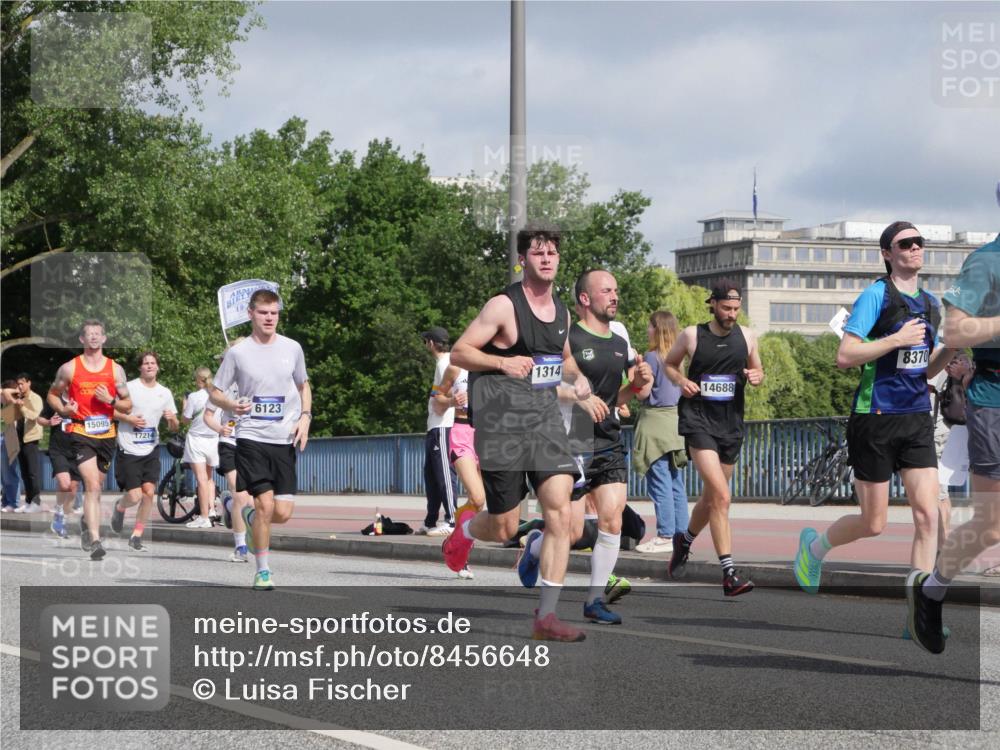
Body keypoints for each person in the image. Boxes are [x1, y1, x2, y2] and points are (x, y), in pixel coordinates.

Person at [793, 222, 954, 617]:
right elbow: (846, 355)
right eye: (905, 243)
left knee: (927, 514)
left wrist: (952, 350)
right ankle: (813, 549)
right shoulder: (876, 296)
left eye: (919, 243)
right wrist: (895, 340)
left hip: (916, 416)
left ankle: (921, 615)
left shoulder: (932, 304)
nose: (915, 248)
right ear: (887, 253)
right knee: (874, 522)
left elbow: (925, 371)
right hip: (875, 416)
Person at [444, 223, 595, 642]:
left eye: (552, 253)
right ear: (523, 260)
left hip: (544, 421)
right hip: (500, 423)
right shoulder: (503, 307)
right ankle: (468, 530)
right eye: (538, 252)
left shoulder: (563, 313)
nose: (546, 259)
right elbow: (459, 351)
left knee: (561, 514)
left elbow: (563, 360)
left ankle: (546, 617)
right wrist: (502, 363)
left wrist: (578, 380)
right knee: (506, 526)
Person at [516, 269, 651, 625]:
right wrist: (579, 399)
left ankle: (594, 600)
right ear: (585, 299)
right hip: (569, 441)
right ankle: (534, 545)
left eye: (616, 290)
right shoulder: (567, 336)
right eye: (606, 290)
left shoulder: (621, 337)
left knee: (612, 519)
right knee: (572, 532)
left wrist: (636, 385)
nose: (615, 296)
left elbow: (615, 397)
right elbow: (540, 386)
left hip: (607, 440)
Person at [912, 227, 999, 653]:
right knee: (991, 525)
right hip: (995, 401)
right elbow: (955, 330)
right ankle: (931, 591)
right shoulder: (987, 261)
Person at [664, 280, 764, 596]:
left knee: (711, 499)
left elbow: (757, 370)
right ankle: (729, 573)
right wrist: (680, 380)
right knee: (722, 497)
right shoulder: (693, 335)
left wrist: (756, 376)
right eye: (726, 308)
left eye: (736, 309)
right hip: (698, 422)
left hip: (731, 424)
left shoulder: (747, 336)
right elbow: (669, 364)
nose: (732, 314)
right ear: (713, 304)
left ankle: (684, 541)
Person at [210, 288, 311, 591]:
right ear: (251, 314)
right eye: (264, 312)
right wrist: (231, 405)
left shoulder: (292, 348)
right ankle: (263, 571)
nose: (270, 318)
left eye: (274, 312)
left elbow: (304, 385)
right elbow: (216, 392)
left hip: (285, 438)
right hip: (251, 436)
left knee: (282, 513)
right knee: (266, 506)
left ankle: (248, 514)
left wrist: (305, 417)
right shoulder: (238, 353)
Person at [47, 319, 132, 561]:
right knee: (92, 485)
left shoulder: (115, 370)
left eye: (98, 334)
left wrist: (111, 400)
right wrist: (64, 410)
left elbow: (128, 404)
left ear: (104, 339)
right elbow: (52, 394)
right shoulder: (69, 368)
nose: (93, 337)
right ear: (82, 340)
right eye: (89, 334)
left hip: (106, 435)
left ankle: (87, 521)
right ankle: (96, 540)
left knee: (98, 487)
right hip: (80, 432)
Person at [632, 311, 688, 554]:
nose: (647, 331)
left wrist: (635, 371)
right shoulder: (678, 360)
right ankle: (680, 536)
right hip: (676, 423)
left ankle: (665, 535)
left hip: (654, 425)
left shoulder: (652, 358)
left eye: (649, 326)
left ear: (657, 329)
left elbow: (642, 394)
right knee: (676, 482)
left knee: (660, 482)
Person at [111, 352, 179, 550]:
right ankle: (120, 507)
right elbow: (110, 411)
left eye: (153, 363)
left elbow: (174, 427)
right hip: (128, 447)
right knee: (134, 496)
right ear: (140, 367)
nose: (150, 366)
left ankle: (137, 535)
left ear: (157, 367)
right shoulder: (129, 388)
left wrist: (172, 420)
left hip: (151, 447)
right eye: (146, 363)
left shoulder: (165, 392)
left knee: (149, 492)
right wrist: (129, 419)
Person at [207, 337, 253, 563]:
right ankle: (241, 547)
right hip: (229, 443)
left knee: (252, 500)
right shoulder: (220, 386)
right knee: (240, 495)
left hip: (252, 442)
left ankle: (226, 504)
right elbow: (208, 416)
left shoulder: (256, 379)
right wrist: (220, 428)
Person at [436, 360, 484, 579]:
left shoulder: (496, 364)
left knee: (478, 504)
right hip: (462, 431)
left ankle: (456, 541)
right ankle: (461, 555)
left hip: (489, 434)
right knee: (477, 496)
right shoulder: (455, 368)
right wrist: (451, 400)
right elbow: (437, 401)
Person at [420, 327, 459, 536]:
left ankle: (452, 520)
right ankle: (430, 520)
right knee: (431, 476)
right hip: (434, 425)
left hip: (443, 425)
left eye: (425, 342)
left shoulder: (446, 364)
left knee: (444, 473)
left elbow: (446, 396)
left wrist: (443, 403)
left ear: (431, 343)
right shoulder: (442, 363)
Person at [182, 367, 220, 529]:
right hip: (213, 438)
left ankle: (203, 516)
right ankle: (211, 510)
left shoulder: (194, 396)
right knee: (209, 478)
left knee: (201, 479)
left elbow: (185, 419)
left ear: (198, 380)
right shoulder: (218, 395)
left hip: (197, 439)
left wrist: (184, 404)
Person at [38, 393, 81, 537]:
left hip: (79, 449)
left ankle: (62, 519)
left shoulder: (82, 399)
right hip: (58, 449)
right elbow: (40, 419)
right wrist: (49, 422)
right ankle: (59, 510)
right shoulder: (54, 400)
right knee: (64, 485)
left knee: (73, 489)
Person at [12, 374, 44, 513]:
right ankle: (29, 500)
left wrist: (22, 407)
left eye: (22, 383)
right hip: (19, 439)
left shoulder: (34, 398)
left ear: (29, 383)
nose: (20, 386)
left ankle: (36, 502)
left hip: (30, 438)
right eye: (18, 384)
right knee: (24, 473)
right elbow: (11, 417)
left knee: (32, 472)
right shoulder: (19, 398)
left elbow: (34, 415)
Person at [1, 381, 23, 511]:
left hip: (12, 438)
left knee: (10, 473)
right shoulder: (6, 404)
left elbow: (4, 392)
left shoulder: (13, 401)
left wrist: (7, 390)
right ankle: (5, 501)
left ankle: (13, 503)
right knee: (4, 474)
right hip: (5, 437)